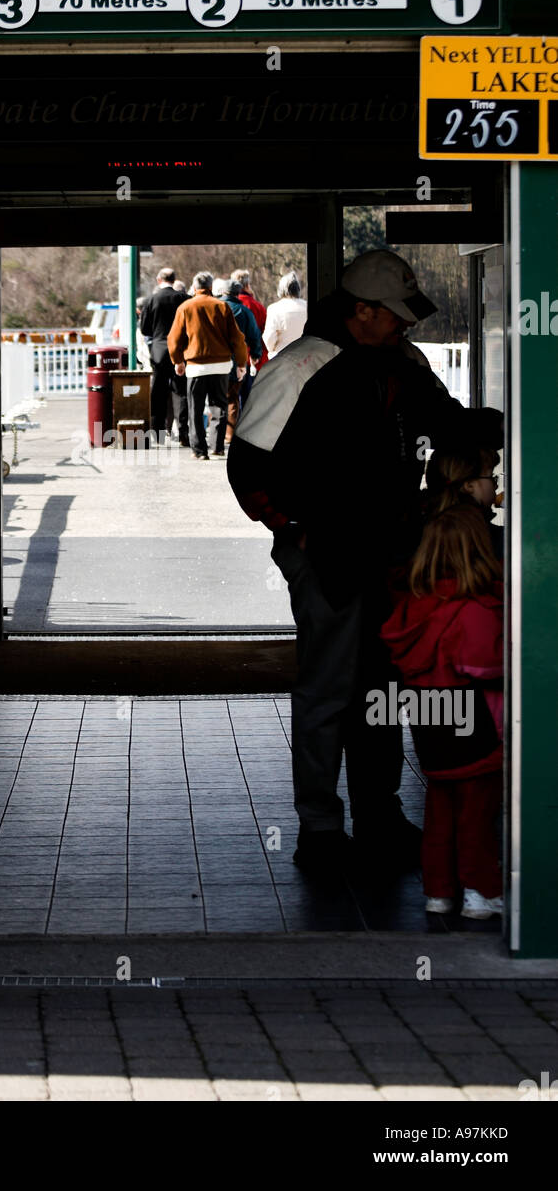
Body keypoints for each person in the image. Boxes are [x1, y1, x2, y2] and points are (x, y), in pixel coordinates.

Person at [227, 248, 502, 880]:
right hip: (327, 556)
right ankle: (320, 826)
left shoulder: (401, 362)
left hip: (392, 558)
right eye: (398, 314)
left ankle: (377, 816)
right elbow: (247, 469)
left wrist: (507, 426)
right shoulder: (301, 368)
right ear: (363, 311)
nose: (408, 325)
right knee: (330, 689)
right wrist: (296, 532)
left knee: (380, 691)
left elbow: (451, 425)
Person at [380, 505, 504, 920]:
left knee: (440, 811)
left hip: (430, 719)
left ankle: (438, 891)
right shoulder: (475, 610)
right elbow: (483, 665)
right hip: (475, 722)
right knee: (478, 814)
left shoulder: (412, 607)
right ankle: (480, 892)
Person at [168, 271, 248, 460]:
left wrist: (178, 361)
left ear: (194, 288)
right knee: (219, 406)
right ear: (211, 288)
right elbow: (237, 338)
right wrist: (241, 363)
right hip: (221, 365)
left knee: (195, 408)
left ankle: (199, 450)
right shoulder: (222, 306)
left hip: (196, 366)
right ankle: (217, 446)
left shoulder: (185, 308)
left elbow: (174, 339)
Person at [139, 266, 188, 444]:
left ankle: (157, 433)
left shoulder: (151, 300)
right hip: (180, 351)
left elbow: (144, 328)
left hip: (159, 350)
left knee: (158, 392)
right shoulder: (183, 298)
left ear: (159, 280)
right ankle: (183, 432)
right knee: (180, 391)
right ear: (174, 280)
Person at [214, 278, 263, 440]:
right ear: (238, 293)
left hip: (212, 359)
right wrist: (256, 355)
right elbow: (254, 336)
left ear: (223, 292)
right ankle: (229, 434)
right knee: (232, 399)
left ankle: (215, 436)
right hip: (236, 362)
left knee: (215, 398)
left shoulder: (212, 307)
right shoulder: (244, 311)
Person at [231, 268, 269, 372]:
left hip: (232, 359)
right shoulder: (258, 306)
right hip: (255, 360)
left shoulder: (226, 306)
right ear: (247, 285)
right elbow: (266, 331)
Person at [263, 270, 308, 356]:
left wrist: (271, 350)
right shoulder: (307, 307)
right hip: (305, 357)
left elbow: (269, 338)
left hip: (282, 356)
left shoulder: (274, 309)